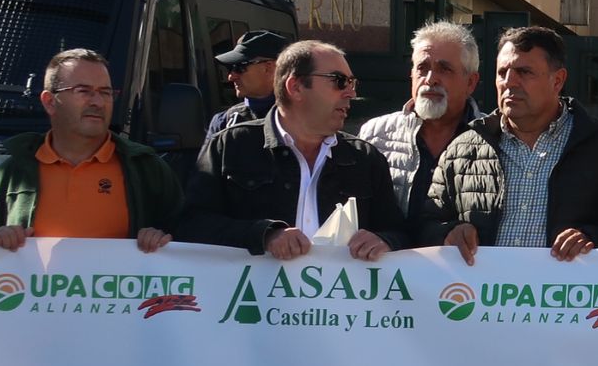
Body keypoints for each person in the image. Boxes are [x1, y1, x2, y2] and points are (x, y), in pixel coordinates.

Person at [175, 39, 411, 260]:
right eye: (339, 81)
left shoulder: (365, 158)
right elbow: (190, 226)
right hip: (254, 300)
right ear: (295, 86)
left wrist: (384, 240)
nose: (351, 93)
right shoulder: (230, 146)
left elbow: (399, 232)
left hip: (341, 302)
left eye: (352, 83)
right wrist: (263, 234)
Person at [428, 25, 598, 263]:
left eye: (524, 72)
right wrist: (448, 232)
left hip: (567, 296)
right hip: (482, 297)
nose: (509, 82)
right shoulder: (464, 148)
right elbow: (427, 222)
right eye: (502, 72)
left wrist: (591, 238)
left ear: (557, 80)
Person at [0, 49, 180, 251]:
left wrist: (163, 239)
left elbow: (191, 242)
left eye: (105, 92)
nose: (98, 102)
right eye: (83, 91)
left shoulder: (147, 168)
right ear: (49, 102)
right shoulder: (12, 173)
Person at [357, 20, 483, 231]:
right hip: (388, 262)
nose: (430, 79)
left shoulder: (494, 136)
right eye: (422, 68)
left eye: (444, 69)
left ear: (471, 82)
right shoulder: (375, 135)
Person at [205, 30, 289, 140]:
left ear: (269, 68)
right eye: (230, 68)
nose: (231, 77)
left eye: (239, 67)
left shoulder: (305, 116)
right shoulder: (224, 122)